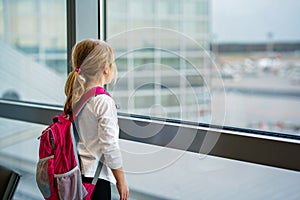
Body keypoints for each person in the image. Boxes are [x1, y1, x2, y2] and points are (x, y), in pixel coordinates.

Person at [63, 39, 129, 200]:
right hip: (95, 179)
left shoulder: (77, 95)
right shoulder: (103, 101)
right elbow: (109, 146)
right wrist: (121, 180)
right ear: (106, 69)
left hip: (77, 172)